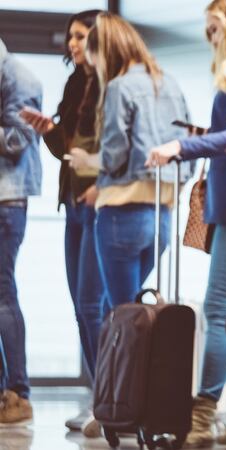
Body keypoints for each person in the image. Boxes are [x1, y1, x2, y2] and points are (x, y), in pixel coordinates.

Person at [146, 0, 226, 446]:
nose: (209, 37)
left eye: (214, 28)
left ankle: (202, 413)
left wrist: (181, 146)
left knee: (220, 310)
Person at [19, 9, 106, 434]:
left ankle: (109, 397)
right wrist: (48, 129)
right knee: (80, 304)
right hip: (73, 201)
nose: (72, 44)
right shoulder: (75, 84)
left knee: (94, 304)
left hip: (103, 204)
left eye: (80, 35)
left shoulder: (113, 85)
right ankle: (101, 394)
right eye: (70, 37)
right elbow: (66, 151)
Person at [75, 13, 192, 312]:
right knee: (136, 313)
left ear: (105, 53)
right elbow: (186, 152)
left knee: (120, 316)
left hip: (121, 215)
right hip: (161, 218)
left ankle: (117, 362)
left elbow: (114, 156)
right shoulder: (169, 84)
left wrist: (88, 160)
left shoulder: (119, 87)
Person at [0, 38, 43, 428]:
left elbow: (15, 141)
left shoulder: (21, 78)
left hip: (7, 202)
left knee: (3, 294)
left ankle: (19, 392)